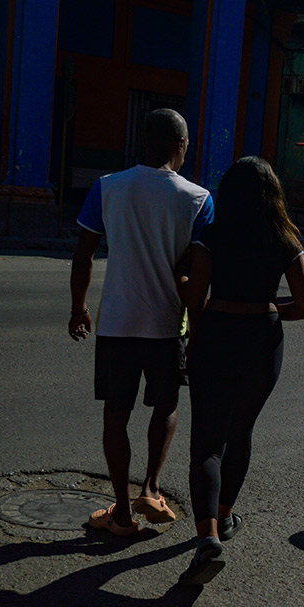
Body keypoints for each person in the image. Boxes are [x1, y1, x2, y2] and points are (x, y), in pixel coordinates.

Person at [69, 108, 214, 536]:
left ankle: (120, 511)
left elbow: (83, 255)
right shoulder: (199, 199)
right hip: (168, 326)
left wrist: (79, 308)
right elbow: (200, 275)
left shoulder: (107, 187)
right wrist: (202, 331)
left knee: (116, 414)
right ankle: (150, 488)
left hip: (117, 323)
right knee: (166, 406)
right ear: (180, 146)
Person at [177, 156, 304, 585]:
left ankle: (208, 537)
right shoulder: (284, 238)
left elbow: (194, 302)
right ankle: (225, 516)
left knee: (206, 444)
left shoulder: (213, 236)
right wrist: (269, 312)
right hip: (263, 341)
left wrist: (195, 344)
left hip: (217, 335)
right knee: (241, 433)